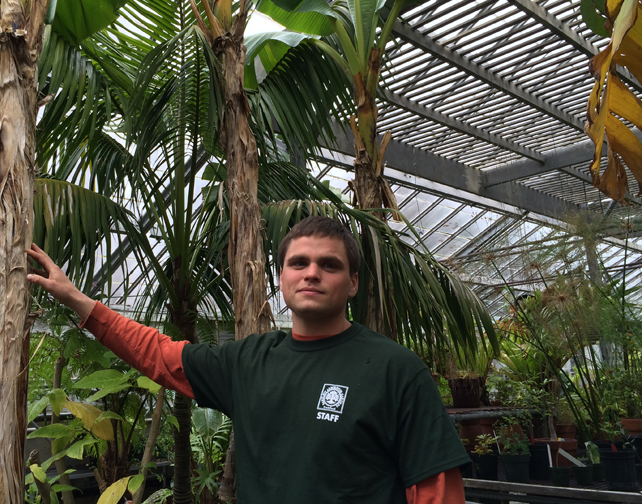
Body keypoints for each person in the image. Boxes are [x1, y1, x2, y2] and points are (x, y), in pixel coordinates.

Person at [27, 216, 469, 503]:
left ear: (353, 283)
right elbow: (158, 354)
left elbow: (436, 491)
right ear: (281, 279)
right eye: (298, 263)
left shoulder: (395, 369)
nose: (311, 272)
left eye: (328, 265)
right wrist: (78, 301)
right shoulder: (250, 361)